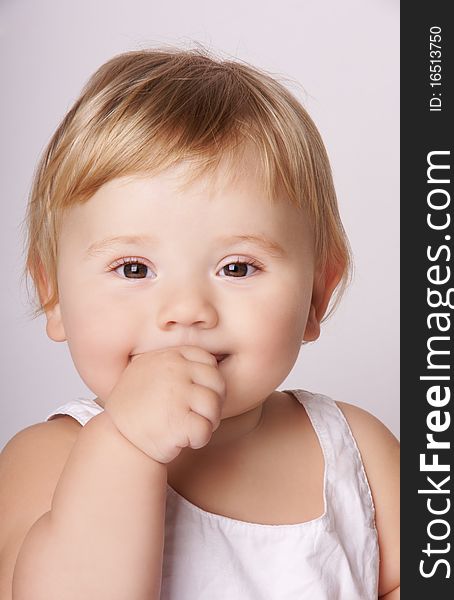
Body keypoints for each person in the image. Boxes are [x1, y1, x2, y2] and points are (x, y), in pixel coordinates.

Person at [0, 46, 399, 599]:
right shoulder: (48, 456)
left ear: (316, 296)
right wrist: (126, 446)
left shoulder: (360, 451)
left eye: (238, 267)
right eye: (133, 268)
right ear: (54, 296)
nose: (186, 309)